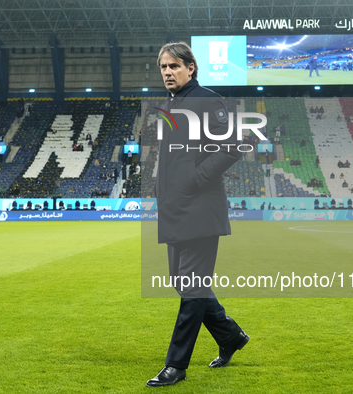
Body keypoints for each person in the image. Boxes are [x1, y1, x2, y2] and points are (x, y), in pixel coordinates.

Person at [147, 42, 248, 388]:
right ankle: (230, 335)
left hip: (201, 211)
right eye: (163, 67)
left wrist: (196, 179)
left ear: (191, 68)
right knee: (183, 282)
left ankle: (176, 364)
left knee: (191, 287)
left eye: (174, 66)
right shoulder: (171, 106)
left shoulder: (206, 99)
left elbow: (234, 144)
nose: (167, 72)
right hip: (176, 210)